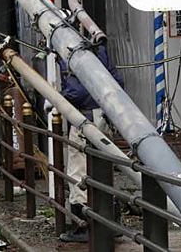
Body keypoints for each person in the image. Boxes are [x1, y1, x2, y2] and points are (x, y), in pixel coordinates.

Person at [58, 44, 124, 243]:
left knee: (79, 170)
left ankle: (85, 225)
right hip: (105, 114)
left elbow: (76, 92)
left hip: (84, 118)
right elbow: (118, 80)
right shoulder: (100, 50)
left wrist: (61, 96)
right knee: (103, 168)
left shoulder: (71, 53)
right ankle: (110, 220)